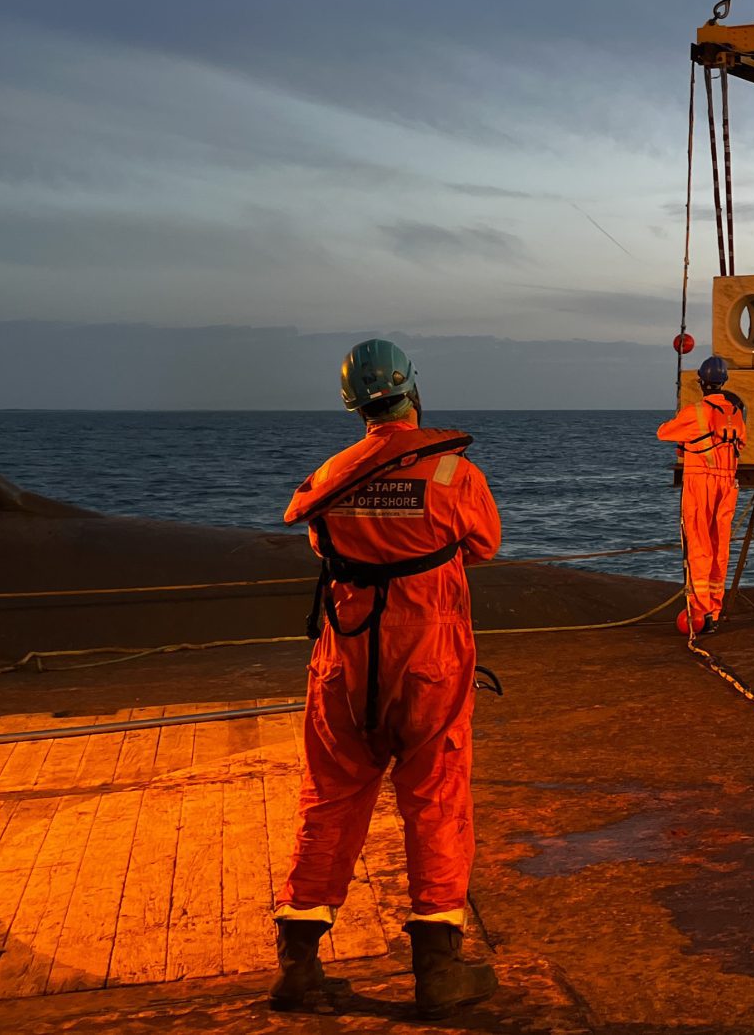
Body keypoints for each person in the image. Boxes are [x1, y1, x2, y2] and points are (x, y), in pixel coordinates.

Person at [270, 339, 501, 1016]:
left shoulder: (330, 477)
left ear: (355, 405)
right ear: (411, 391)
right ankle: (437, 971)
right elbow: (483, 545)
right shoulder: (455, 477)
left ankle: (299, 965)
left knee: (330, 797)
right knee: (434, 796)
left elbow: (324, 545)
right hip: (428, 657)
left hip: (344, 657)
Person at [657, 355, 749, 636]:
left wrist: (687, 438)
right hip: (727, 486)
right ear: (724, 382)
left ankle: (699, 610)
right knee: (720, 547)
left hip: (700, 484)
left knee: (698, 546)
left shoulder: (694, 412)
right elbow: (740, 444)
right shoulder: (734, 413)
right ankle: (714, 611)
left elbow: (663, 433)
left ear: (701, 383)